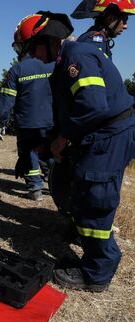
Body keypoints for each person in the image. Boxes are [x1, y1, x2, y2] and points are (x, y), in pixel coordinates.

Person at [16, 11, 134, 292]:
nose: (34, 56)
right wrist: (48, 140)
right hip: (102, 134)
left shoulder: (77, 57)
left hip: (109, 136)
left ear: (47, 39)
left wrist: (63, 139)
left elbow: (93, 107)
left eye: (33, 49)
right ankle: (87, 243)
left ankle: (96, 273)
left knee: (96, 199)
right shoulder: (64, 62)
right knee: (81, 191)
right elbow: (68, 112)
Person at [0, 24, 56, 201]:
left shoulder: (17, 69)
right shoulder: (53, 65)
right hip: (51, 121)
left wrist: (1, 121)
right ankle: (56, 185)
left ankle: (35, 188)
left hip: (27, 123)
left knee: (29, 154)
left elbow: (7, 100)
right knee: (51, 154)